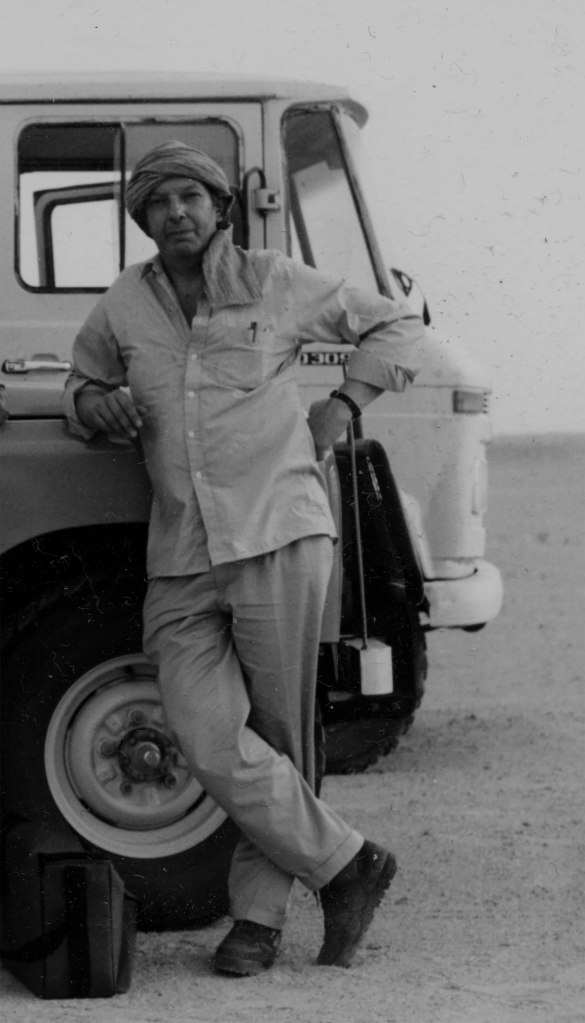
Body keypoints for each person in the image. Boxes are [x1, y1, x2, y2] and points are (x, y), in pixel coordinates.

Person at [63, 141, 424, 976]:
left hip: (277, 531)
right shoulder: (123, 303)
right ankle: (348, 862)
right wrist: (96, 401)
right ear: (143, 218)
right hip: (182, 551)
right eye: (159, 202)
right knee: (203, 731)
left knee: (279, 733)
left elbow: (397, 324)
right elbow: (79, 384)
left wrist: (343, 402)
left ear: (218, 206)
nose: (176, 213)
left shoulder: (273, 280)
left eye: (191, 197)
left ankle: (256, 923)